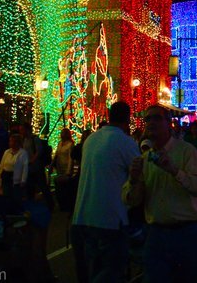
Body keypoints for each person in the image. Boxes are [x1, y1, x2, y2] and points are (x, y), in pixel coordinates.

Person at [124, 105, 197, 283]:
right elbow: (132, 200)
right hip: (156, 232)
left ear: (169, 123)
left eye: (156, 118)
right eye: (147, 119)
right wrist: (133, 180)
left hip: (188, 231)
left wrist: (174, 171)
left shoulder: (187, 152)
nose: (151, 123)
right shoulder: (145, 158)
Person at [71, 101, 140, 283]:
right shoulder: (125, 142)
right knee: (113, 269)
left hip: (82, 216)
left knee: (90, 268)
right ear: (128, 118)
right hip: (110, 218)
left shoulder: (91, 139)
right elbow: (140, 174)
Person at [0, 133, 28, 201]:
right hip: (5, 176)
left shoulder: (23, 153)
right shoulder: (7, 152)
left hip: (15, 177)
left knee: (15, 197)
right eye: (10, 141)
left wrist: (23, 180)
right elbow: (1, 165)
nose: (10, 143)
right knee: (6, 195)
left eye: (12, 141)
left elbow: (25, 168)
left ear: (17, 142)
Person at [53, 129, 76, 212]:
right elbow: (57, 154)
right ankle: (61, 203)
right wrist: (53, 163)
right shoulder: (60, 143)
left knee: (65, 186)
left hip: (66, 168)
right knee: (59, 186)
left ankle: (66, 204)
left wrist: (69, 170)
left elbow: (70, 158)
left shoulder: (70, 145)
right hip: (59, 167)